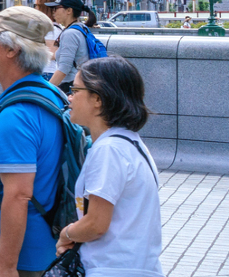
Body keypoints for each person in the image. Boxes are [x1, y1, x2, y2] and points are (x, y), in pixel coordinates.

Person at [0, 5, 84, 277]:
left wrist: (5, 266)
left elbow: (18, 194)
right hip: (44, 247)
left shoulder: (16, 114)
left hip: (1, 254)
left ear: (11, 49)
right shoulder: (52, 96)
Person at [57, 57, 163, 277]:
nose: (69, 97)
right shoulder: (130, 143)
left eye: (75, 89)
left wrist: (66, 234)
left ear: (97, 98)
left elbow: (96, 224)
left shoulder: (109, 150)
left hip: (111, 269)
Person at [48, 0, 100, 92]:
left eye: (56, 8)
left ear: (69, 11)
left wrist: (46, 91)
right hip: (82, 84)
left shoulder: (70, 33)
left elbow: (63, 69)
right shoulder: (81, 28)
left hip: (71, 88)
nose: (53, 12)